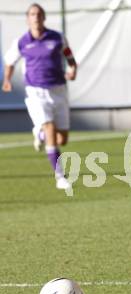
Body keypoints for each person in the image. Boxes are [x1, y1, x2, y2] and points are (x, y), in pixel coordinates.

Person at [2, 3, 77, 190]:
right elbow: (10, 61)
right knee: (50, 128)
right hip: (36, 92)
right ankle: (60, 176)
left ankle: (40, 133)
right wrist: (7, 80)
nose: (36, 17)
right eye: (32, 14)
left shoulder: (57, 38)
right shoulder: (22, 41)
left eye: (39, 14)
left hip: (59, 90)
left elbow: (69, 56)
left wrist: (73, 69)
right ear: (28, 18)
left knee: (62, 140)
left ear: (44, 17)